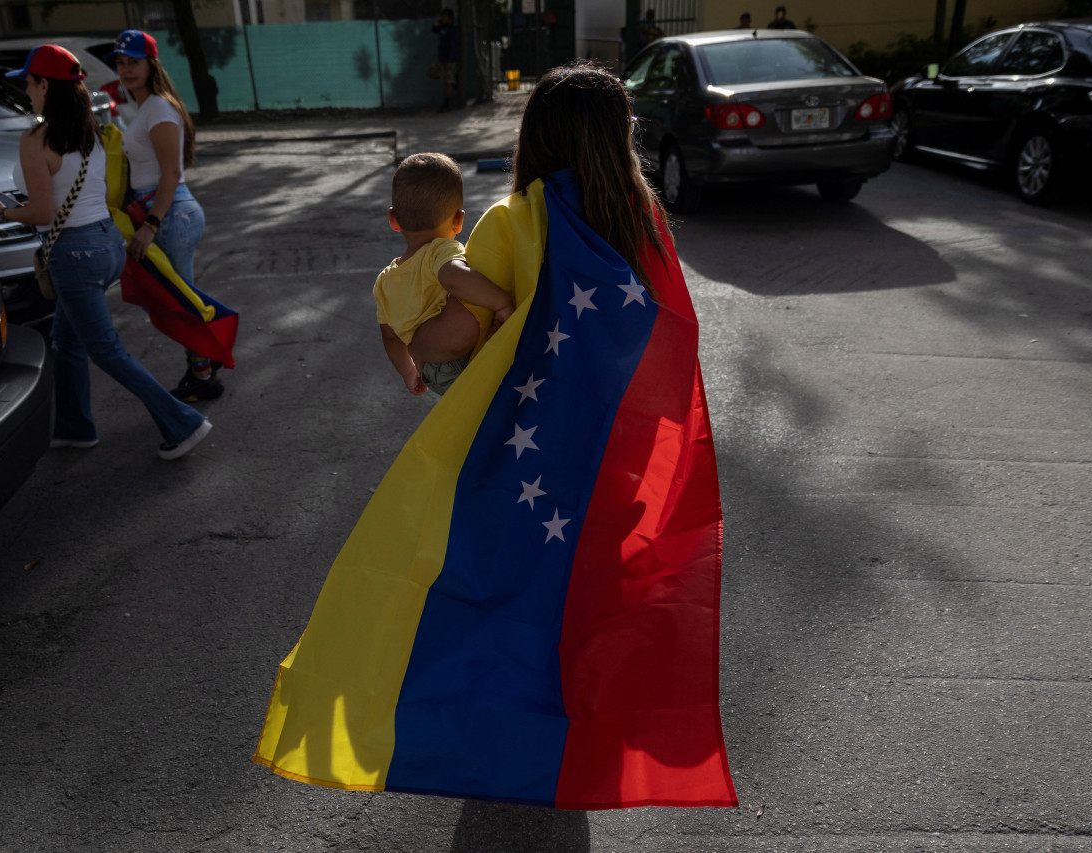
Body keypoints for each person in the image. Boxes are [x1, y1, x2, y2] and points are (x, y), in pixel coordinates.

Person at [253, 61, 734, 809]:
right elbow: (667, 342)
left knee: (504, 597)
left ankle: (508, 750)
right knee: (586, 600)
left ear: (535, 137)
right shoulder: (644, 226)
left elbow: (453, 342)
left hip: (524, 455)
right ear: (619, 140)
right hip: (611, 455)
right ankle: (581, 747)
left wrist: (412, 326)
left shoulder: (515, 221)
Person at [0, 44, 211, 460]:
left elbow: (42, 211)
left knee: (105, 350)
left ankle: (183, 422)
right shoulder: (94, 132)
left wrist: (1, 210)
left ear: (45, 85)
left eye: (30, 84)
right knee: (66, 341)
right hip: (106, 244)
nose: (27, 93)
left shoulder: (36, 138)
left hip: (74, 254)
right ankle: (74, 427)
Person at [109, 29, 226, 403]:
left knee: (177, 303)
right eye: (121, 63)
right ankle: (210, 353)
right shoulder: (147, 108)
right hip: (164, 211)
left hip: (169, 214)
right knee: (180, 297)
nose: (127, 70)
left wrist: (150, 224)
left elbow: (170, 174)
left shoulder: (158, 108)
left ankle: (204, 373)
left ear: (151, 65)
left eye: (134, 63)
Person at [374, 152, 513, 396]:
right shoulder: (440, 250)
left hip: (432, 374)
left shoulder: (384, 280)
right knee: (475, 282)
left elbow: (390, 338)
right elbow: (453, 277)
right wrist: (501, 302)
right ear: (458, 220)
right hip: (458, 355)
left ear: (393, 219)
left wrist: (408, 372)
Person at [431, 8, 459, 112]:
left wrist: (451, 60)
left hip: (448, 59)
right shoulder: (444, 28)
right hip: (441, 58)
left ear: (450, 18)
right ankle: (453, 84)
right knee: (432, 73)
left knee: (448, 81)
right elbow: (434, 30)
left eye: (445, 16)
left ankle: (446, 103)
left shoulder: (453, 29)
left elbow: (454, 46)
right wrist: (436, 24)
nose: (443, 18)